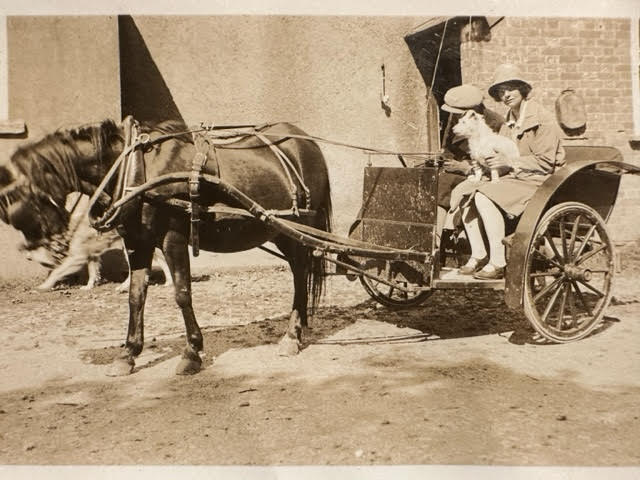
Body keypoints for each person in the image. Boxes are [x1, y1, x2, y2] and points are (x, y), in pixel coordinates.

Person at [449, 64, 565, 279]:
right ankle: (478, 254)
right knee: (467, 196)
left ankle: (498, 261)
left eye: (511, 88)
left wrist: (508, 161)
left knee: (484, 197)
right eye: (501, 92)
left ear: (523, 89)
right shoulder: (509, 122)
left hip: (540, 181)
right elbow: (501, 155)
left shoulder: (542, 118)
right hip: (514, 178)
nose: (506, 95)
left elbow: (546, 162)